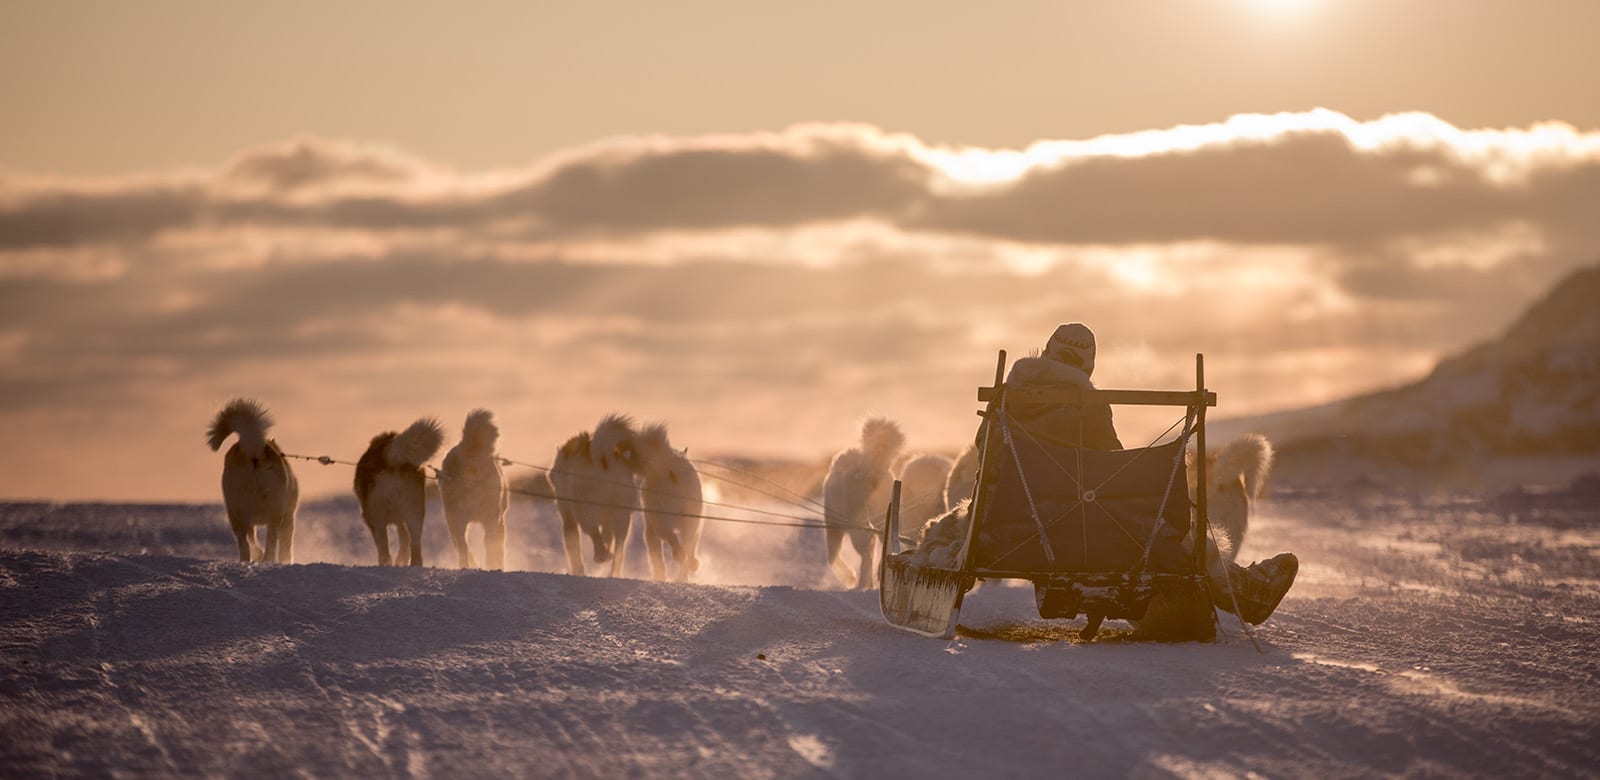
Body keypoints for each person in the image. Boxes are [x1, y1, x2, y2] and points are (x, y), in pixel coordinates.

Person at [999, 323, 1297, 626]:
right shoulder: (1090, 409)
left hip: (1010, 526)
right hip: (1078, 529)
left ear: (1046, 353)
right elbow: (1111, 473)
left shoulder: (1006, 399)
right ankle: (1247, 592)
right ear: (1089, 368)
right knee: (1161, 527)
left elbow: (990, 461)